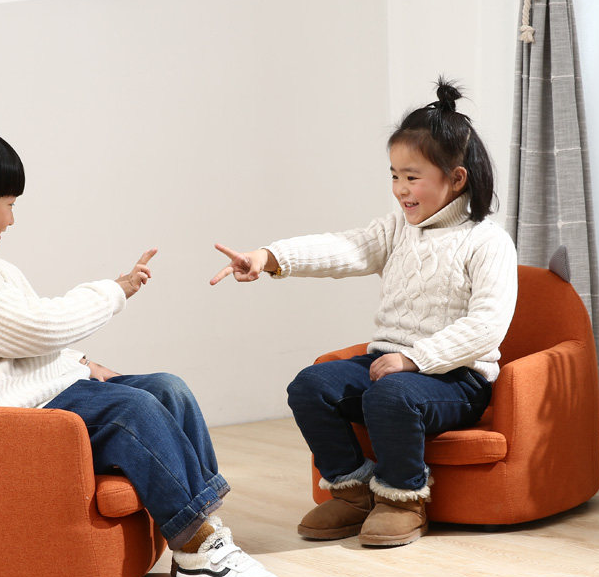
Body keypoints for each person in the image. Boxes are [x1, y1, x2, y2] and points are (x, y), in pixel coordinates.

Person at [0, 123, 282, 577]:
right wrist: (114, 291)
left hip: (42, 395)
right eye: (10, 204)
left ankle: (201, 531)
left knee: (167, 388)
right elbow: (38, 327)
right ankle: (200, 553)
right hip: (18, 417)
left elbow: (9, 336)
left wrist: (79, 363)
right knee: (134, 412)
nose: (12, 220)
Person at [211, 79, 517, 547]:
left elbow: (487, 326)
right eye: (394, 176)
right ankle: (353, 492)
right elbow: (344, 248)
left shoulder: (487, 241)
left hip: (456, 378)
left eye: (412, 177)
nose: (400, 190)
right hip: (389, 365)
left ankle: (403, 499)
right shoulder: (398, 230)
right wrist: (268, 257)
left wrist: (413, 360)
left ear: (456, 179)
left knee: (392, 394)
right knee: (311, 386)